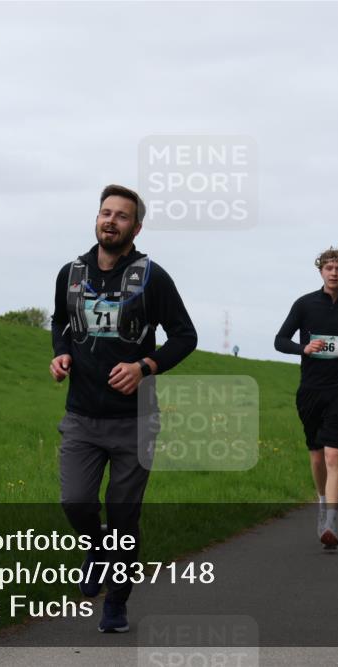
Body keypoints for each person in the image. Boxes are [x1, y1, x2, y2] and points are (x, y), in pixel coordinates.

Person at [50, 184, 197, 633]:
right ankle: (96, 549)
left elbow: (184, 336)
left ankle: (116, 603)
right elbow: (60, 320)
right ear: (96, 218)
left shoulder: (152, 276)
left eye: (121, 216)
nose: (110, 221)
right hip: (81, 416)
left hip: (134, 421)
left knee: (123, 518)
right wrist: (60, 353)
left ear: (136, 226)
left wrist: (145, 366)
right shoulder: (71, 273)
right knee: (75, 501)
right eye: (105, 213)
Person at [275, 246, 338, 548]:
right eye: (329, 268)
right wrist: (302, 348)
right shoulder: (304, 305)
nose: (334, 273)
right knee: (317, 456)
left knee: (335, 454)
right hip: (310, 390)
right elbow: (280, 340)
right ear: (321, 270)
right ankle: (322, 503)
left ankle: (331, 523)